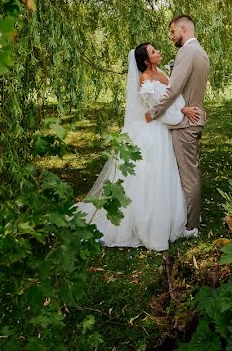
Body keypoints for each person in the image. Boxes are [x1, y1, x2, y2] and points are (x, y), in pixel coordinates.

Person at [74, 43, 201, 251]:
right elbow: (157, 109)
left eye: (156, 50)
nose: (158, 52)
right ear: (145, 60)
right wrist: (183, 111)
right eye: (153, 52)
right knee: (149, 176)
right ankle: (145, 223)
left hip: (163, 129)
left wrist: (182, 106)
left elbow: (173, 95)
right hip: (155, 130)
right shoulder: (145, 79)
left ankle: (172, 217)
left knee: (166, 173)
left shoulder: (161, 72)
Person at [145, 14, 210, 238]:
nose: (172, 36)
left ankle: (191, 226)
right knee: (191, 170)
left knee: (188, 174)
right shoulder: (201, 52)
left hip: (185, 124)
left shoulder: (186, 52)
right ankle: (192, 215)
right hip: (195, 118)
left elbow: (173, 90)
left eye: (173, 32)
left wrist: (153, 112)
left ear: (183, 28)